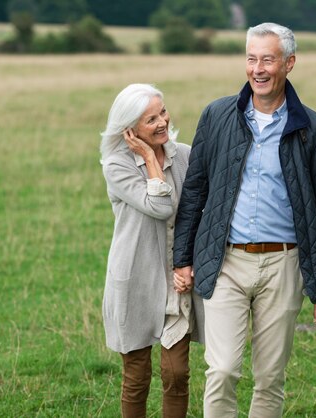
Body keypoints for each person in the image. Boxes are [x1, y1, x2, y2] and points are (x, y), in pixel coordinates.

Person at [172, 22, 316, 417]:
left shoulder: (315, 130)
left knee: (269, 378)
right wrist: (183, 258)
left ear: (289, 63)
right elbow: (194, 192)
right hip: (226, 261)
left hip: (284, 264)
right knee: (222, 369)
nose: (258, 69)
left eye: (268, 59)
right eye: (251, 58)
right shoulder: (217, 116)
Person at [100, 83, 204, 418]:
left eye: (162, 112)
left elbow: (199, 211)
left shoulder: (185, 155)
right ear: (129, 129)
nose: (162, 122)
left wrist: (191, 265)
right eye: (150, 119)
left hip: (177, 278)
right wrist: (147, 156)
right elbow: (158, 206)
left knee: (176, 375)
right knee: (137, 377)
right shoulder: (117, 165)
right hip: (135, 279)